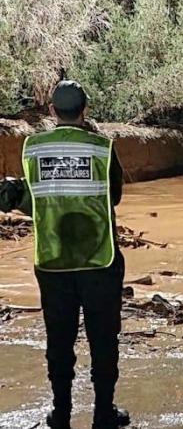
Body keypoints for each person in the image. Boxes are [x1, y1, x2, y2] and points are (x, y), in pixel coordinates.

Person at [0, 80, 130, 429]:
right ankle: (104, 414)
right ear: (85, 110)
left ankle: (61, 414)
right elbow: (113, 198)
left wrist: (13, 195)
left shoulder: (32, 149)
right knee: (103, 339)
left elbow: (33, 202)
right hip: (99, 260)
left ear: (52, 111)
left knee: (59, 339)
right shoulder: (102, 148)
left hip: (53, 261)